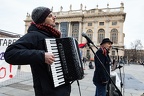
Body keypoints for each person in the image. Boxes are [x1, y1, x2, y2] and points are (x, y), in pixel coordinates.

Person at [4, 6, 71, 96]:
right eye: (50, 16)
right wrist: (41, 56)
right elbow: (10, 54)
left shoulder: (53, 35)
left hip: (62, 88)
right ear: (42, 19)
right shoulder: (34, 35)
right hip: (46, 91)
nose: (54, 17)